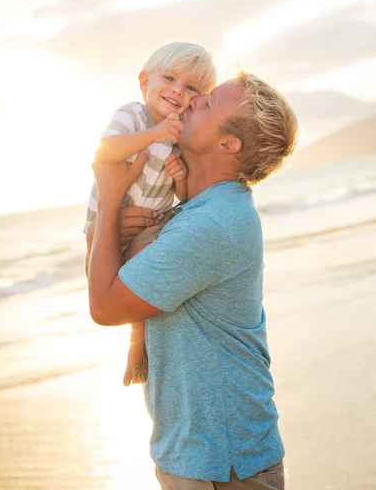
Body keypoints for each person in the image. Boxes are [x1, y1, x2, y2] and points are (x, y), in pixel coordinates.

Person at [86, 70, 298, 489]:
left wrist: (111, 196)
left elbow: (105, 307)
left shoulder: (211, 224)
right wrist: (114, 231)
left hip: (223, 464)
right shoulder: (198, 210)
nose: (190, 100)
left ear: (227, 144)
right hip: (205, 453)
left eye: (206, 103)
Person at [83, 41, 216, 386]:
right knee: (99, 275)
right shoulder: (132, 115)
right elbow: (106, 150)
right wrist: (154, 134)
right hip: (104, 219)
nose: (177, 90)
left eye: (191, 88)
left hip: (151, 223)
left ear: (197, 100)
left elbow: (181, 197)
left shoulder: (179, 136)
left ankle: (136, 346)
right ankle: (127, 336)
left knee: (141, 269)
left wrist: (180, 179)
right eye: (170, 78)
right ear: (144, 81)